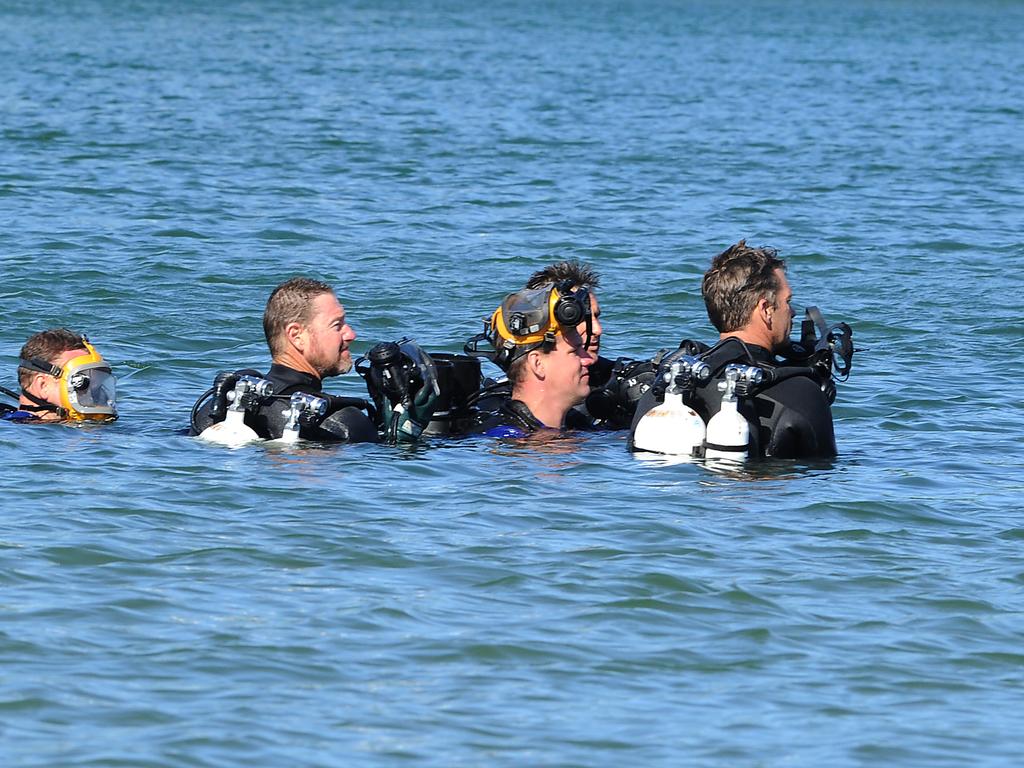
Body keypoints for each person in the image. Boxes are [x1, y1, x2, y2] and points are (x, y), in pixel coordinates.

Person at [630, 241, 839, 459]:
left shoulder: (665, 386)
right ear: (766, 310)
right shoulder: (801, 394)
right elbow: (823, 476)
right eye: (787, 301)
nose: (793, 312)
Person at [190, 277, 435, 443]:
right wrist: (405, 433)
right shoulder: (346, 423)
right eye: (337, 325)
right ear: (297, 336)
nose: (350, 334)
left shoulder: (221, 406)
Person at [463, 282, 595, 438]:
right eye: (575, 351)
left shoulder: (577, 426)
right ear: (537, 364)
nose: (588, 360)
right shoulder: (506, 438)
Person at [1, 328, 117, 423]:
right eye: (81, 383)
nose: (93, 397)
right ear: (43, 386)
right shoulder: (14, 426)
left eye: (96, 385)